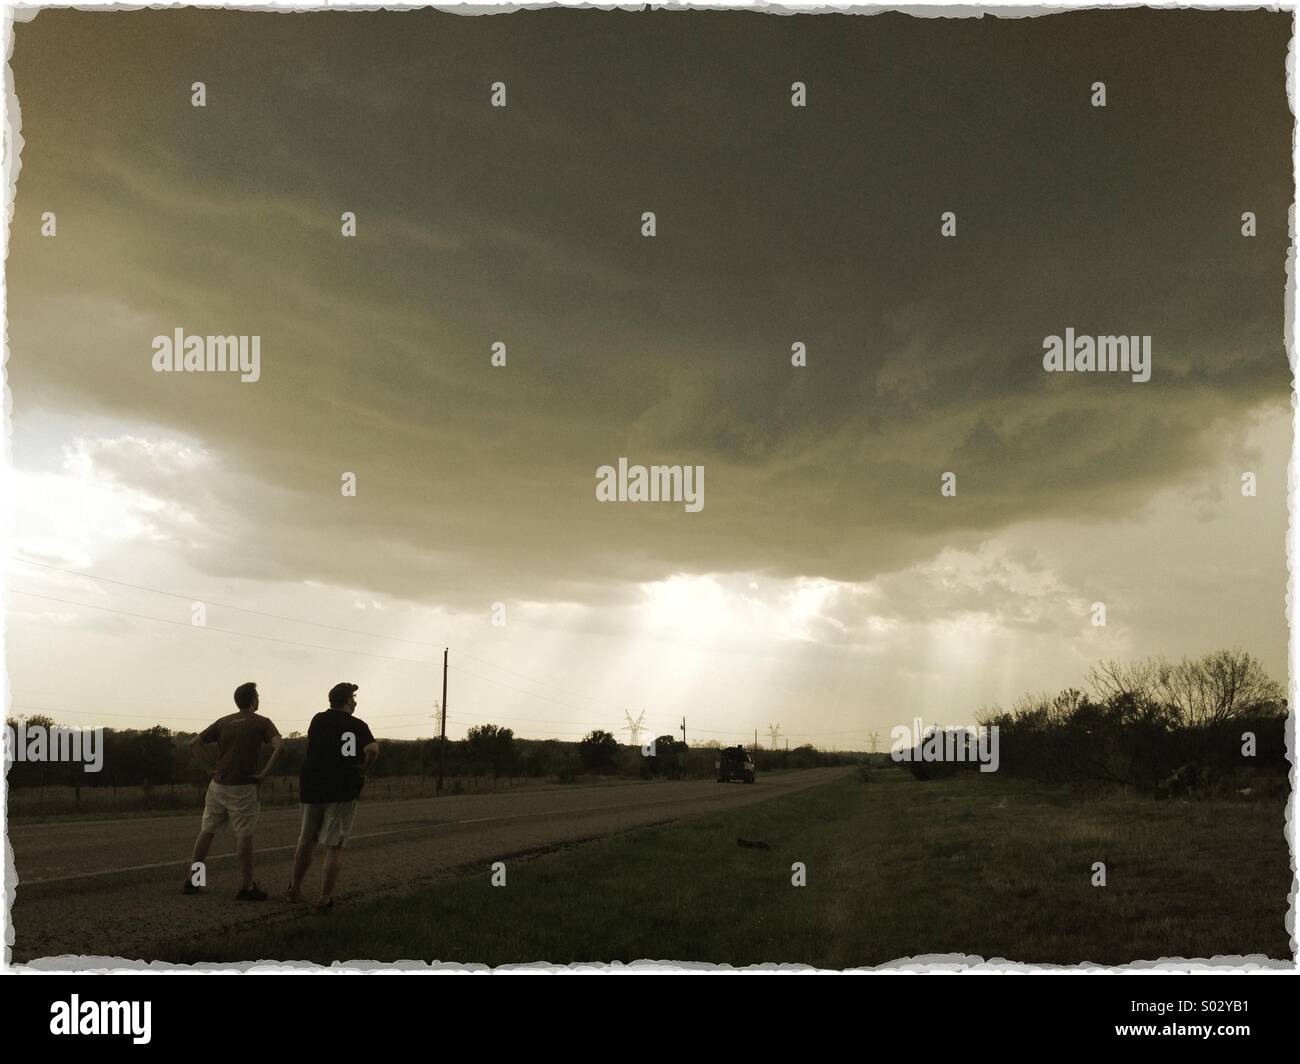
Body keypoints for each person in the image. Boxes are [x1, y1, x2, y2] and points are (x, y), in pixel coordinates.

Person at [183, 681, 283, 900]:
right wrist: (265, 772)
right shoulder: (262, 722)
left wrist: (208, 768)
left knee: (207, 831)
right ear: (253, 700)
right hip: (244, 787)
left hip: (217, 785)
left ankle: (194, 880)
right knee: (244, 835)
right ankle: (247, 887)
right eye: (257, 695)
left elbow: (193, 743)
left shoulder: (223, 722)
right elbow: (279, 745)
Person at [285, 682, 379, 912]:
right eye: (353, 698)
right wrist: (364, 768)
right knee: (334, 845)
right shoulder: (357, 725)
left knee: (306, 840)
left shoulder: (317, 720)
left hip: (313, 785)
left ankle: (294, 889)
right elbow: (373, 749)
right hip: (342, 787)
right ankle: (324, 898)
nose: (355, 701)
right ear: (347, 701)